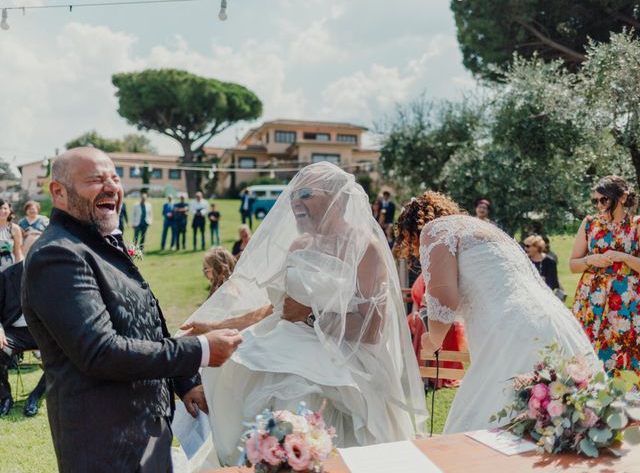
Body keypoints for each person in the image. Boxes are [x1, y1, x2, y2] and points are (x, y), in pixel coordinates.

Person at [179, 162, 427, 467]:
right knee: (230, 369)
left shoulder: (366, 248)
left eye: (307, 194)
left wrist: (311, 316)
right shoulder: (299, 245)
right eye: (294, 194)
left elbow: (372, 327)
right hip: (282, 344)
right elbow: (277, 309)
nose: (295, 201)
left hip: (339, 359)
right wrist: (215, 326)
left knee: (298, 391)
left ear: (338, 199)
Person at [21, 147, 243, 472]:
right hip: (105, 444)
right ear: (58, 192)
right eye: (96, 179)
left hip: (146, 430)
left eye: (115, 177)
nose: (111, 186)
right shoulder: (58, 255)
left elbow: (144, 321)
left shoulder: (98, 243)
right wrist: (202, 350)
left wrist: (185, 381)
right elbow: (100, 351)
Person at [393, 191, 599, 434]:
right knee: (557, 419)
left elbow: (444, 299)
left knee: (492, 423)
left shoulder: (434, 230)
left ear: (414, 230)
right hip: (551, 318)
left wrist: (432, 339)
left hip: (508, 331)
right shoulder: (483, 230)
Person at [570, 175, 640, 375]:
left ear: (622, 198)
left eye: (604, 199)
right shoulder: (589, 223)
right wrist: (589, 260)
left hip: (626, 302)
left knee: (624, 352)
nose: (599, 205)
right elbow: (573, 265)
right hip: (592, 300)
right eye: (596, 200)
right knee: (589, 351)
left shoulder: (636, 225)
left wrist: (623, 257)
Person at [0, 236, 46, 418]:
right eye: (33, 246)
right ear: (23, 248)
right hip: (15, 331)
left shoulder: (55, 276)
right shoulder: (6, 275)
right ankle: (5, 397)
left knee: (65, 351)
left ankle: (35, 396)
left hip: (45, 332)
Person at [0, 199, 23, 271]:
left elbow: (18, 251)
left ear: (10, 211)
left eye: (5, 208)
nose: (2, 211)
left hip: (8, 269)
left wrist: (19, 270)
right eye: (0, 208)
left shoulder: (14, 228)